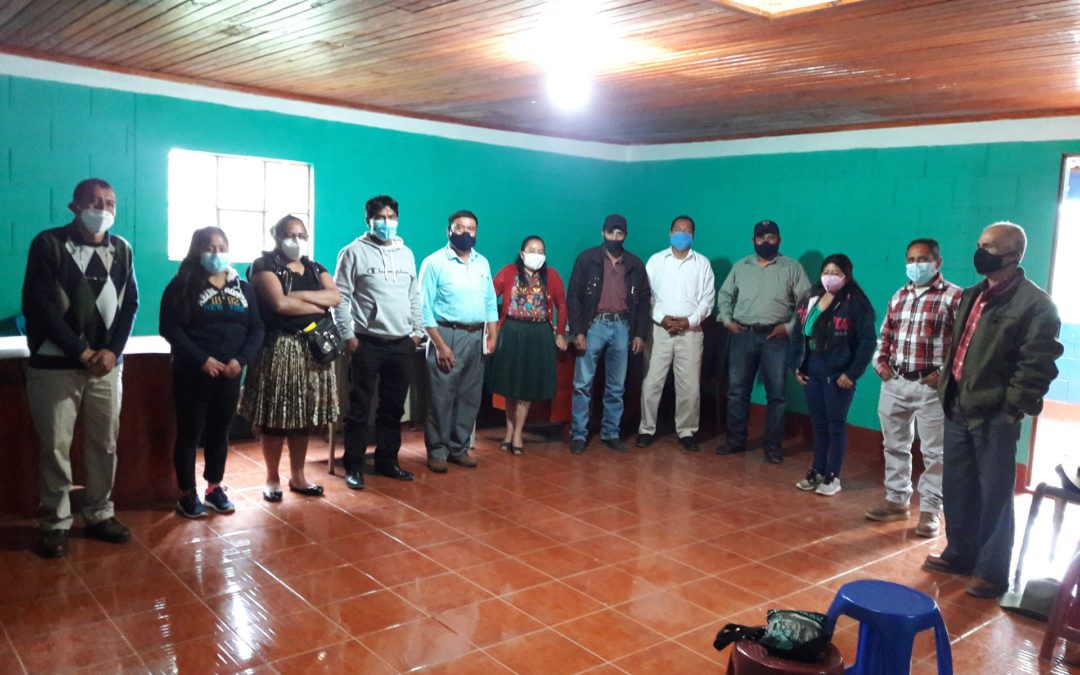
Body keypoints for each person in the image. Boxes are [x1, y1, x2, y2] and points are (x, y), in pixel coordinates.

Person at [923, 222, 1062, 599]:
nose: (980, 251)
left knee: (995, 495)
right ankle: (959, 553)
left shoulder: (1036, 305)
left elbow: (1037, 365)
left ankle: (991, 571)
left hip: (994, 415)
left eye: (989, 246)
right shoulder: (973, 295)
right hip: (957, 405)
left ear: (1013, 255)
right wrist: (945, 389)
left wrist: (1011, 408)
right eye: (979, 244)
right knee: (958, 487)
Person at [22, 178, 138, 558]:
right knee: (56, 446)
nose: (102, 209)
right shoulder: (49, 244)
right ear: (74, 206)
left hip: (107, 366)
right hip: (56, 365)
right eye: (94, 201)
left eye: (110, 203)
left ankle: (100, 513)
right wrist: (83, 352)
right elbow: (39, 306)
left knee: (104, 442)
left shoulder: (122, 249)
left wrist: (111, 352)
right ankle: (56, 523)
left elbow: (129, 306)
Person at [160, 227, 264, 518]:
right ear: (197, 251)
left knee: (220, 433)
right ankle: (187, 493)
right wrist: (201, 359)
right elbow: (170, 328)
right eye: (209, 247)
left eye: (222, 247)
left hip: (230, 375)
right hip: (192, 374)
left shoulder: (242, 288)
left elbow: (256, 328)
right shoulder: (182, 285)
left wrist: (240, 360)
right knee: (189, 435)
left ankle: (214, 488)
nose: (216, 253)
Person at [865, 238, 961, 537]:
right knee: (894, 446)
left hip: (931, 387)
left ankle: (931, 511)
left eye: (922, 259)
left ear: (937, 262)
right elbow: (885, 336)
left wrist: (941, 375)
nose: (916, 265)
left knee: (935, 454)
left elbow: (964, 346)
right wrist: (881, 367)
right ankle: (896, 502)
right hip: (895, 383)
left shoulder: (954, 297)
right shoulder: (899, 296)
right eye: (911, 259)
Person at [240, 215, 340, 501]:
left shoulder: (315, 266)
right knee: (275, 417)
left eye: (301, 235)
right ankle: (272, 478)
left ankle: (298, 476)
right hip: (279, 349)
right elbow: (278, 303)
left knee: (303, 418)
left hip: (313, 350)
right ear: (276, 235)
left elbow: (335, 298)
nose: (295, 240)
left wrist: (297, 295)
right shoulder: (263, 265)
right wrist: (312, 300)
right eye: (289, 234)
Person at [333, 195, 424, 489]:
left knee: (393, 407)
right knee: (359, 407)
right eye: (380, 217)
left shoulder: (407, 253)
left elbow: (415, 296)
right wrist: (348, 336)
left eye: (391, 217)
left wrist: (416, 333)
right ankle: (354, 466)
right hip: (366, 343)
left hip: (402, 344)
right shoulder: (353, 252)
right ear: (368, 220)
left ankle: (388, 461)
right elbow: (341, 298)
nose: (387, 223)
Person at [716, 220, 810, 463]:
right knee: (737, 391)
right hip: (742, 335)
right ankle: (735, 440)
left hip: (775, 338)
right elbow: (725, 295)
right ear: (753, 240)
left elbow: (806, 303)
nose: (766, 242)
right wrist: (726, 320)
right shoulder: (741, 266)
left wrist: (789, 328)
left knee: (777, 395)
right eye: (761, 238)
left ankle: (773, 446)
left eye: (771, 237)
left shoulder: (792, 268)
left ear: (779, 239)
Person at [789, 254, 876, 497]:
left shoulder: (855, 303)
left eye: (836, 273)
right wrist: (797, 366)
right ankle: (817, 470)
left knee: (835, 425)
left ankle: (832, 475)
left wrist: (852, 373)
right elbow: (799, 333)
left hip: (838, 371)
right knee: (818, 424)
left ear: (847, 276)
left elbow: (867, 343)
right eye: (826, 271)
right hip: (812, 367)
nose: (830, 277)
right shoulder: (811, 297)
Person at [419, 210, 498, 473]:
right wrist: (440, 345)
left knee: (469, 396)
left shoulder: (482, 263)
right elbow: (424, 308)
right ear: (449, 231)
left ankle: (459, 447)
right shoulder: (434, 262)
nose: (466, 233)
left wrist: (492, 333)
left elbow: (489, 301)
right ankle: (437, 451)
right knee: (441, 397)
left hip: (476, 336)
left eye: (471, 228)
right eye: (460, 228)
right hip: (446, 334)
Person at [566, 214, 650, 454]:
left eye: (620, 233)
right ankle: (579, 434)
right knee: (582, 384)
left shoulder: (634, 264)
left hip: (623, 327)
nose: (615, 237)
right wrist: (578, 330)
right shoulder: (587, 259)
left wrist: (640, 334)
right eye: (611, 232)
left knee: (616, 385)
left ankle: (610, 433)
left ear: (625, 235)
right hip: (594, 325)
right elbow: (574, 296)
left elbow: (644, 301)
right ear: (603, 233)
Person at [636, 216, 715, 452]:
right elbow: (646, 296)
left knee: (689, 385)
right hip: (659, 330)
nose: (682, 234)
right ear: (669, 233)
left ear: (693, 235)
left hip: (691, 332)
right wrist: (663, 318)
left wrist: (688, 321)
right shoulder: (656, 261)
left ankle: (687, 431)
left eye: (687, 230)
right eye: (678, 230)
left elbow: (707, 300)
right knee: (651, 382)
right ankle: (646, 429)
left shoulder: (702, 264)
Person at [486, 235, 569, 455]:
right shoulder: (507, 272)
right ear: (522, 254)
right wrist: (490, 331)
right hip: (512, 333)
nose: (537, 254)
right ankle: (508, 431)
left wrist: (560, 333)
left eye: (541, 251)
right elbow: (488, 298)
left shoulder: (551, 276)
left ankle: (517, 434)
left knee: (526, 388)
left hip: (538, 334)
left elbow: (561, 304)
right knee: (511, 387)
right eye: (532, 250)